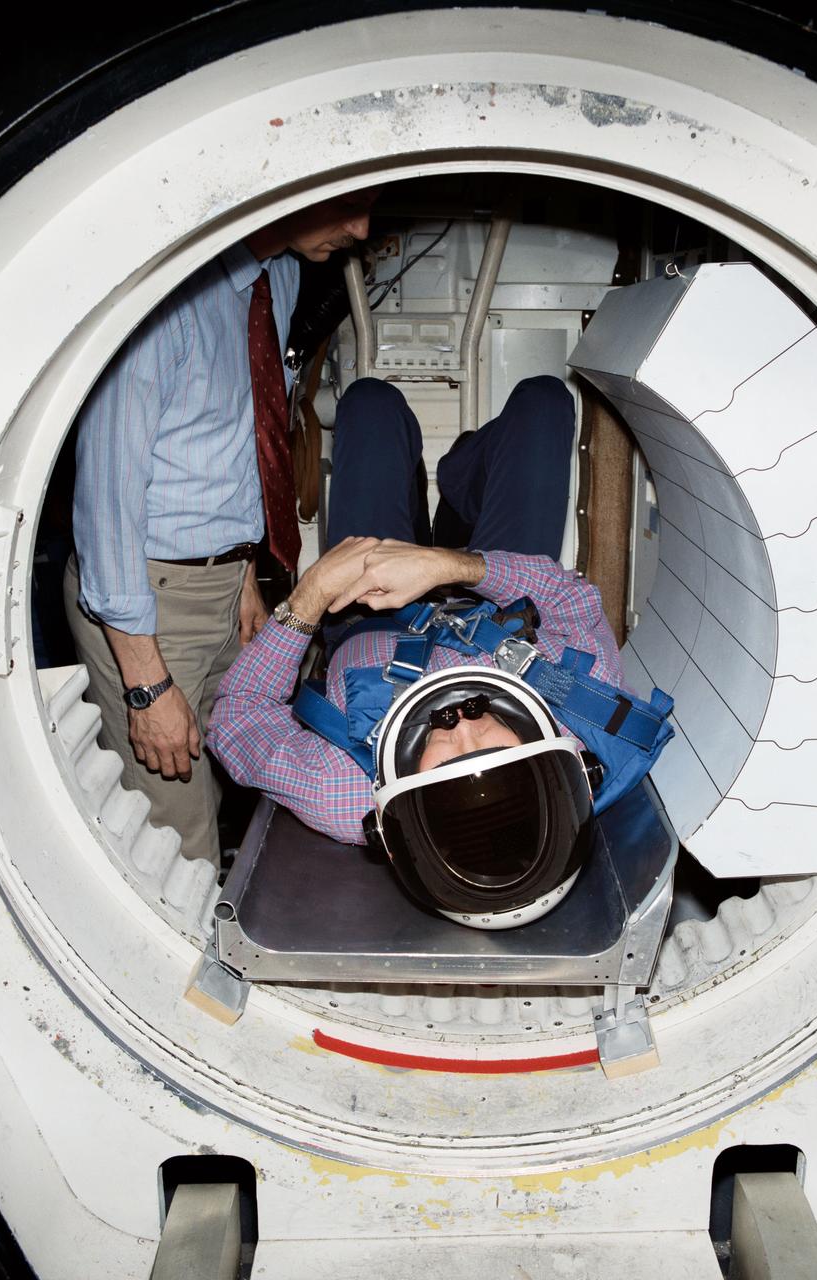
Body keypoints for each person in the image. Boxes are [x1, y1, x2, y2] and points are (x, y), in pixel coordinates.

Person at [207, 376, 674, 927]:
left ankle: (426, 495)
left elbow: (236, 720)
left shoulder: (348, 792)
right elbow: (570, 599)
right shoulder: (578, 714)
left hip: (364, 610)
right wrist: (454, 565)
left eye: (447, 762)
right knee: (545, 401)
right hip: (487, 597)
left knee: (371, 405)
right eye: (497, 752)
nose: (461, 726)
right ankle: (460, 486)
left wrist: (310, 596)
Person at [64, 191, 377, 868]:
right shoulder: (164, 309)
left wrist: (242, 575)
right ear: (287, 187)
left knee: (264, 758)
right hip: (144, 598)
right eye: (349, 202)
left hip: (223, 585)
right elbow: (106, 502)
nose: (362, 228)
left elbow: (241, 436)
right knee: (179, 840)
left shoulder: (279, 276)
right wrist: (146, 684)